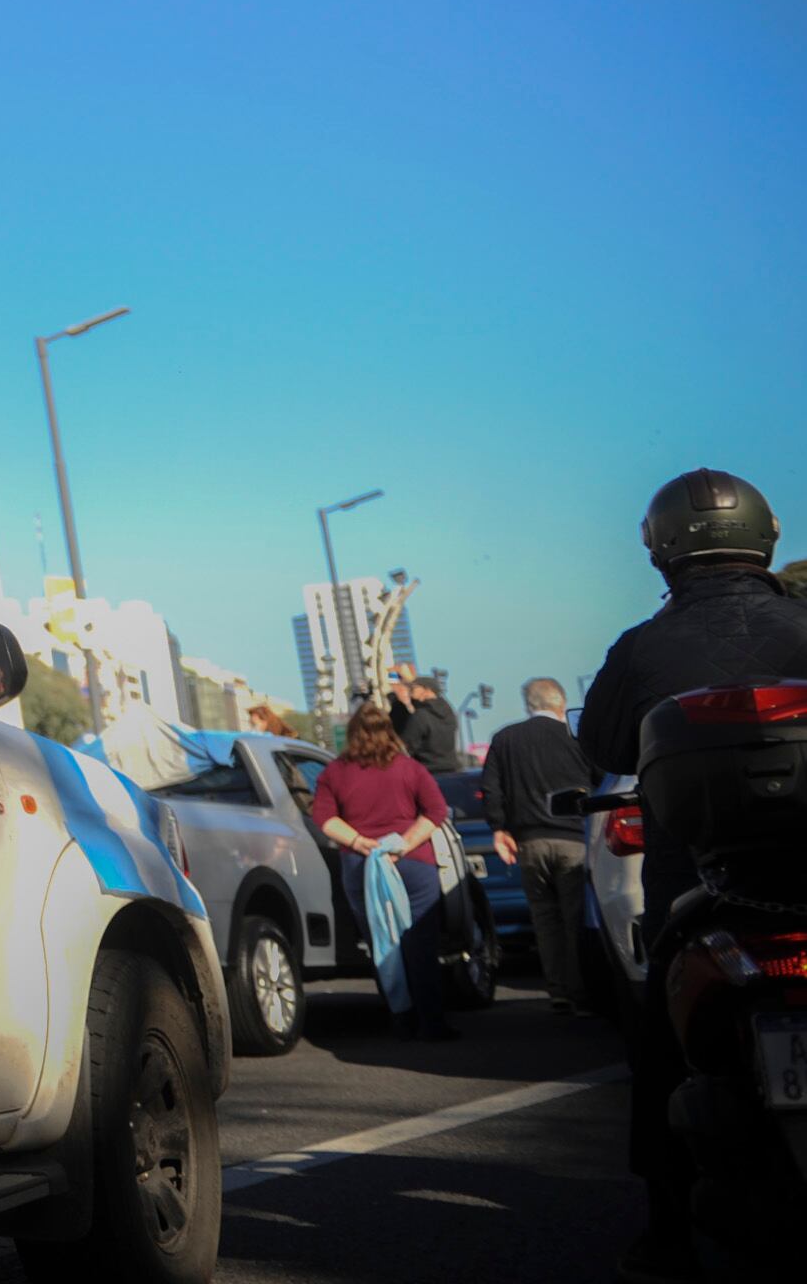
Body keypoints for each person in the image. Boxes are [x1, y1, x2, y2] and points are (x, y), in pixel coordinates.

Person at [578, 468, 807, 1283]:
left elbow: (602, 750)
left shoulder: (641, 646)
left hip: (703, 881)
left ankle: (667, 1232)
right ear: (765, 535)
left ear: (662, 549)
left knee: (663, 1043)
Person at [307, 701, 458, 1040]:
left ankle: (400, 1018)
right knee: (420, 942)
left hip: (361, 866)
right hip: (413, 863)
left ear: (352, 735)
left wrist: (361, 842)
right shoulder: (410, 768)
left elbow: (324, 819)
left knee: (382, 941)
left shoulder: (334, 773)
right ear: (389, 731)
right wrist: (402, 844)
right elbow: (436, 811)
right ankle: (431, 1022)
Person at [478, 676, 597, 1012]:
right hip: (574, 839)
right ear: (560, 703)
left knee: (544, 919)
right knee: (576, 919)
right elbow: (599, 780)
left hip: (529, 841)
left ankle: (558, 990)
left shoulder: (505, 739)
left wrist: (499, 828)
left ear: (529, 704)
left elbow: (491, 788)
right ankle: (582, 992)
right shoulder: (576, 738)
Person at [389, 667, 467, 772]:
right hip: (452, 768)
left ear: (427, 690)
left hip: (428, 771)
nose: (410, 691)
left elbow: (405, 746)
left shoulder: (421, 716)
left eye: (414, 688)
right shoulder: (448, 712)